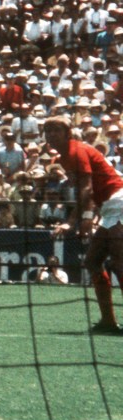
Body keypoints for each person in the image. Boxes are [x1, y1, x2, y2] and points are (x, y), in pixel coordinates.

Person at [43, 116, 123, 334]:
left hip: (119, 203)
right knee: (93, 262)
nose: (50, 134)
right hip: (109, 207)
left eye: (55, 130)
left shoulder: (76, 151)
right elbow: (88, 189)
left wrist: (76, 221)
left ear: (67, 132)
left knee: (119, 262)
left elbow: (86, 189)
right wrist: (88, 214)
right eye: (47, 130)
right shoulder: (65, 156)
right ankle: (108, 321)